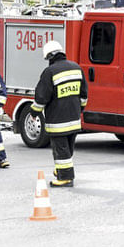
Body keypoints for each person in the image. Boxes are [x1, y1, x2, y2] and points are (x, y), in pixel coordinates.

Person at [30, 40, 88, 188]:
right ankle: (61, 170)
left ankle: (65, 178)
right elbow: (84, 95)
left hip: (57, 120)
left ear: (49, 57)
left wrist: (34, 112)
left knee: (60, 149)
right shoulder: (76, 68)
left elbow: (42, 97)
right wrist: (79, 110)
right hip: (74, 118)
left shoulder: (50, 72)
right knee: (68, 148)